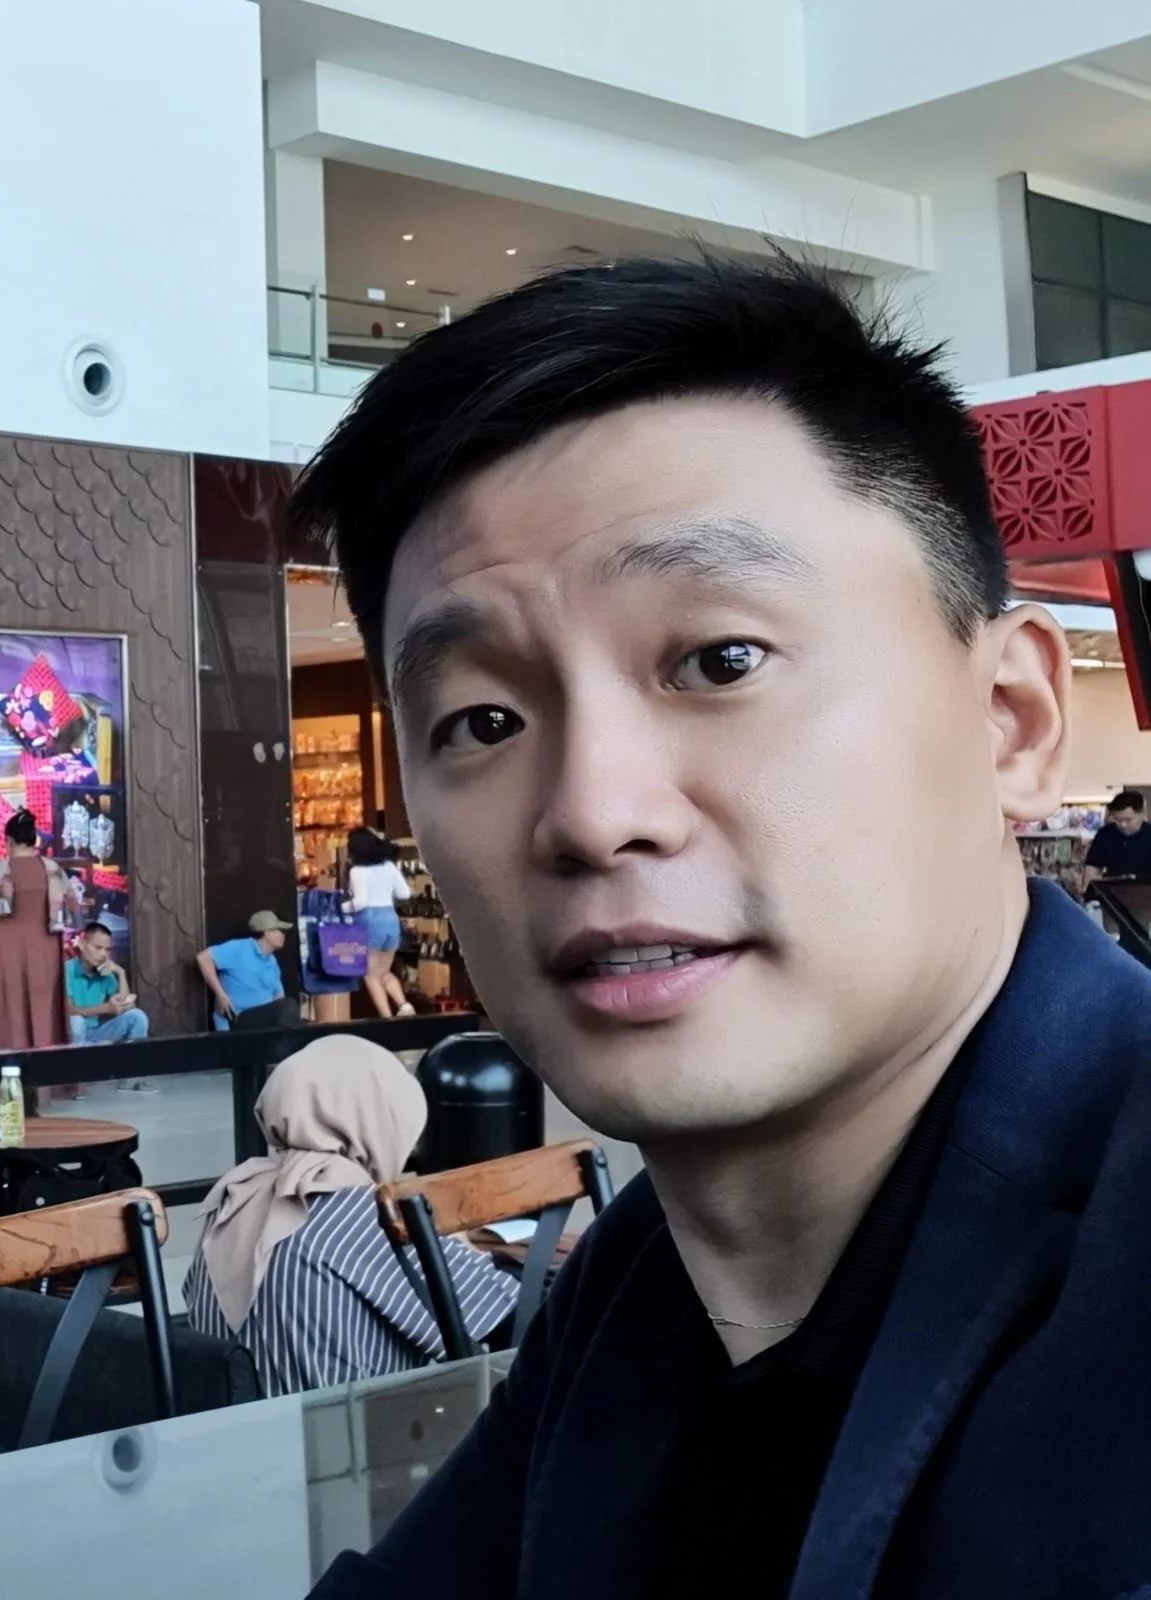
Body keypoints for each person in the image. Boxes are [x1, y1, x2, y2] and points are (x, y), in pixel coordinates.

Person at [288, 253, 1151, 1600]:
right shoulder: (640, 1289)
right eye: (482, 721)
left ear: (1008, 722)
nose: (590, 814)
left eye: (719, 660)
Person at [183, 1036, 518, 1395]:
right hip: (343, 1427)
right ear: (378, 1120)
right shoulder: (355, 1208)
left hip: (236, 1424)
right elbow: (501, 1308)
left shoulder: (237, 1193)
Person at [0, 809, 72, 1054]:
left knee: (7, 1012)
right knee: (44, 1011)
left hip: (5, 951)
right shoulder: (54, 870)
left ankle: (2, 1071)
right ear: (33, 839)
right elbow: (73, 910)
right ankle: (47, 1072)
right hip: (45, 950)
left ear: (8, 840)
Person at [345, 826, 414, 1018]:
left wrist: (341, 908)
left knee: (370, 974)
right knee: (384, 972)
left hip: (370, 922)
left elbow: (360, 902)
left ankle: (387, 1018)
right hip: (391, 920)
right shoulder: (389, 866)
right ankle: (404, 1005)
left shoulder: (357, 871)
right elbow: (404, 893)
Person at [196, 911, 300, 1031]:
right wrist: (220, 994)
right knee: (289, 1006)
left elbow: (279, 997)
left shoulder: (272, 962)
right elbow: (203, 958)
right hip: (238, 1018)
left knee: (289, 1008)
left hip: (264, 1021)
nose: (283, 935)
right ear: (268, 933)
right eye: (280, 931)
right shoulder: (240, 948)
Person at [64, 921, 150, 1045]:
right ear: (82, 945)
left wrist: (120, 973)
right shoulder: (68, 969)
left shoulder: (105, 972)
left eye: (107, 949)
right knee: (77, 1022)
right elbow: (69, 1010)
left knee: (137, 1016)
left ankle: (132, 1057)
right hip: (74, 1036)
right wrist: (105, 1008)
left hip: (98, 1032)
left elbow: (125, 1006)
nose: (103, 954)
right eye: (98, 948)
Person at [1082, 787, 1151, 888]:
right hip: (1114, 890)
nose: (1123, 825)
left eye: (1128, 820)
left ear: (1142, 814)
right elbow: (1093, 867)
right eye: (1118, 820)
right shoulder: (1105, 834)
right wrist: (1088, 889)